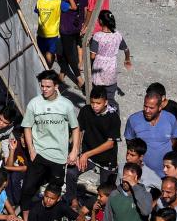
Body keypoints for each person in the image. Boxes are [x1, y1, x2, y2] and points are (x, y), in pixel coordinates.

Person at [21, 70, 82, 203]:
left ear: (56, 86)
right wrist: (31, 149)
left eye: (48, 86)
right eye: (42, 86)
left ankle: (52, 218)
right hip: (39, 152)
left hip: (59, 156)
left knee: (54, 189)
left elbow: (75, 128)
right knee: (28, 188)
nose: (44, 89)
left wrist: (74, 151)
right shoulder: (34, 103)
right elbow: (27, 126)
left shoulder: (66, 105)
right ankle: (25, 220)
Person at [125, 86, 177, 179]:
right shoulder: (133, 120)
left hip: (165, 175)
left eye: (151, 108)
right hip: (141, 175)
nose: (147, 111)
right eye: (145, 106)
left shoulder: (171, 119)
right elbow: (130, 143)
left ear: (160, 107)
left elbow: (174, 141)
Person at [76, 89, 121, 191]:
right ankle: (72, 200)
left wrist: (86, 154)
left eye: (98, 103)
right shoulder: (85, 110)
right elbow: (79, 130)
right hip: (87, 154)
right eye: (92, 102)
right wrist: (77, 151)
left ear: (105, 102)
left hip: (106, 159)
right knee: (71, 173)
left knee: (105, 190)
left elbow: (110, 144)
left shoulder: (113, 117)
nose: (94, 106)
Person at [89, 11, 131, 101]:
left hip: (99, 68)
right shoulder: (117, 35)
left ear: (100, 21)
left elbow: (92, 56)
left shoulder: (97, 36)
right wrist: (127, 59)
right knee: (110, 97)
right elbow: (126, 49)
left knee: (98, 96)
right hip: (111, 67)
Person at [58, 0, 89, 88]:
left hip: (66, 27)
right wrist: (85, 24)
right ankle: (61, 75)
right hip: (78, 25)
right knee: (68, 51)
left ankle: (79, 78)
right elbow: (86, 9)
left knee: (68, 53)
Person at [35, 0, 75, 68]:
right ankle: (48, 68)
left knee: (42, 53)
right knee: (50, 53)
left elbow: (38, 12)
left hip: (41, 33)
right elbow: (73, 7)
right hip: (53, 34)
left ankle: (43, 68)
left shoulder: (39, 2)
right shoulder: (59, 3)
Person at [7, 126, 30, 204]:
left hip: (31, 171)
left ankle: (19, 202)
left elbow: (25, 168)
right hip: (18, 168)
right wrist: (12, 150)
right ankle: (11, 203)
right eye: (22, 137)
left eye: (26, 138)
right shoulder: (18, 143)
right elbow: (9, 165)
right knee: (7, 175)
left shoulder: (32, 148)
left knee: (14, 176)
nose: (23, 141)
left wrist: (7, 168)